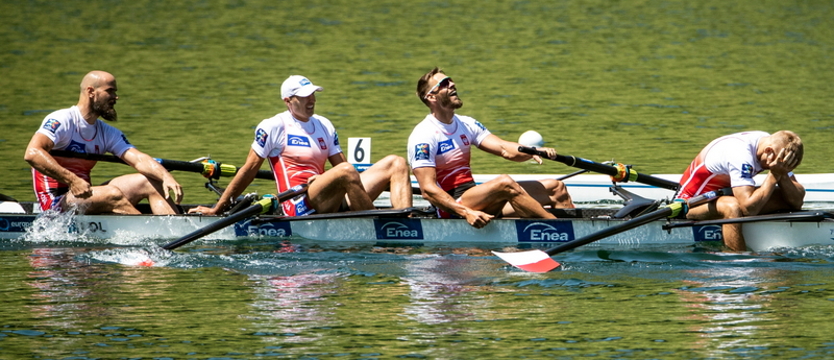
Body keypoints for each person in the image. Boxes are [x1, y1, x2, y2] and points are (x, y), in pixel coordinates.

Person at [188, 75, 412, 216]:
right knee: (345, 172)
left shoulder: (324, 124)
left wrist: (325, 178)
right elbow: (248, 170)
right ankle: (377, 225)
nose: (311, 100)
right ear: (288, 101)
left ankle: (408, 222)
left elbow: (345, 168)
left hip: (326, 195)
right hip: (297, 203)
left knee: (396, 162)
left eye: (313, 94)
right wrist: (219, 208)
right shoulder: (274, 126)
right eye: (304, 96)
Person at [407, 67, 574, 229]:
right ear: (431, 97)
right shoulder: (424, 135)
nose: (452, 84)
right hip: (452, 207)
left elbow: (504, 148)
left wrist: (531, 152)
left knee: (556, 188)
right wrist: (466, 213)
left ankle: (574, 230)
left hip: (474, 196)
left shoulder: (466, 123)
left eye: (451, 81)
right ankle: (562, 230)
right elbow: (428, 190)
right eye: (444, 83)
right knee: (504, 183)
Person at [24, 70, 183, 215]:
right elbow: (32, 154)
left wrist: (165, 176)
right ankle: (148, 234)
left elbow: (139, 159)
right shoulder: (62, 120)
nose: (116, 97)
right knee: (112, 194)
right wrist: (72, 180)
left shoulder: (107, 132)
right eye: (110, 91)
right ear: (91, 92)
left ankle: (176, 229)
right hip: (55, 203)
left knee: (148, 181)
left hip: (85, 195)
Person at [676, 130, 805, 251]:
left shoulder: (773, 146)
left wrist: (781, 173)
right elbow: (748, 210)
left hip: (723, 194)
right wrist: (775, 175)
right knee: (733, 207)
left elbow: (797, 200)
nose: (780, 167)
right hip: (691, 202)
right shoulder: (741, 154)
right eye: (782, 164)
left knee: (784, 195)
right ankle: (738, 261)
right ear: (769, 151)